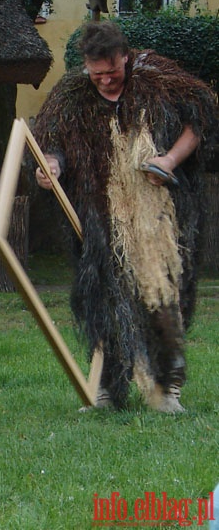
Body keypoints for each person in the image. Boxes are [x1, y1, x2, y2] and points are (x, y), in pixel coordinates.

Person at [32, 21, 217, 413]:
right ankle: (103, 391)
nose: (105, 81)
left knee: (160, 296)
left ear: (125, 58)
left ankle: (167, 391)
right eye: (97, 74)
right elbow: (54, 144)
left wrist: (168, 159)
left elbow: (200, 119)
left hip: (156, 218)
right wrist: (51, 166)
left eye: (112, 72)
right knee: (101, 297)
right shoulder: (72, 95)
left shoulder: (157, 80)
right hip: (102, 216)